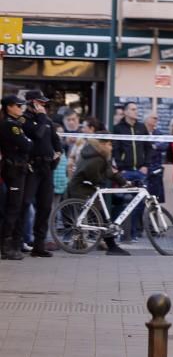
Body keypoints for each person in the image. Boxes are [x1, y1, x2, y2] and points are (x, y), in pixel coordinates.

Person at [66, 132, 130, 255]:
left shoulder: (97, 154)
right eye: (110, 144)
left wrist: (124, 182)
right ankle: (112, 247)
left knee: (97, 215)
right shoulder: (97, 158)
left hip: (84, 187)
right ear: (103, 144)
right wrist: (103, 179)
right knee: (100, 216)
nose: (111, 147)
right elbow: (96, 176)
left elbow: (110, 172)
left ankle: (86, 244)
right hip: (82, 188)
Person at [21, 90, 61, 257]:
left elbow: (55, 140)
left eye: (44, 103)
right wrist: (41, 118)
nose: (43, 106)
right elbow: (37, 135)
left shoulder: (46, 120)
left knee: (45, 207)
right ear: (31, 103)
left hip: (46, 167)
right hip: (32, 167)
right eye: (40, 103)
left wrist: (58, 152)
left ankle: (39, 245)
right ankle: (18, 242)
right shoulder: (25, 119)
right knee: (24, 204)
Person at [111, 101, 151, 242]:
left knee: (139, 204)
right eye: (133, 109)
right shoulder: (118, 128)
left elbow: (148, 147)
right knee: (124, 202)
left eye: (137, 109)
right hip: (125, 171)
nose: (136, 112)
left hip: (140, 170)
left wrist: (146, 165)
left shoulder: (141, 127)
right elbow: (115, 149)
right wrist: (120, 167)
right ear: (126, 112)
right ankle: (122, 232)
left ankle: (133, 233)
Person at [0, 96, 32, 260]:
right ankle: (6, 247)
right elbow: (26, 144)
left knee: (17, 207)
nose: (21, 108)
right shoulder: (10, 125)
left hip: (17, 169)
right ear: (9, 107)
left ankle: (13, 244)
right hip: (13, 170)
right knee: (12, 208)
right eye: (18, 106)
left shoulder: (16, 124)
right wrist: (26, 140)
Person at [144, 114, 167, 202]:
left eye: (156, 118)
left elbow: (164, 145)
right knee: (143, 197)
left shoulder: (158, 133)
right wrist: (153, 147)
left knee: (155, 198)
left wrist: (154, 147)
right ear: (146, 120)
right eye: (153, 118)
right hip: (144, 168)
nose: (155, 120)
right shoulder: (141, 132)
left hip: (156, 169)